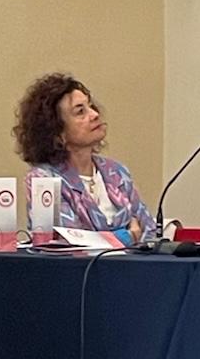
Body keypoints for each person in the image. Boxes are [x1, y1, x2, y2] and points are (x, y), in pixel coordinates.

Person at [15, 73, 155, 242]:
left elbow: (149, 232)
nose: (94, 114)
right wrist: (126, 236)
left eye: (91, 106)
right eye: (80, 111)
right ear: (57, 132)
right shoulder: (44, 180)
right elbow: (66, 243)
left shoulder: (116, 172)